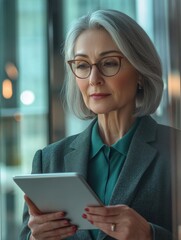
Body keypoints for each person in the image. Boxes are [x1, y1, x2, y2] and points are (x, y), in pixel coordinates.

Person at [19, 9, 179, 240]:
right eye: (83, 65)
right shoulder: (49, 159)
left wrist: (149, 235)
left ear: (140, 72)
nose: (94, 78)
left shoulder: (175, 151)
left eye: (109, 63)